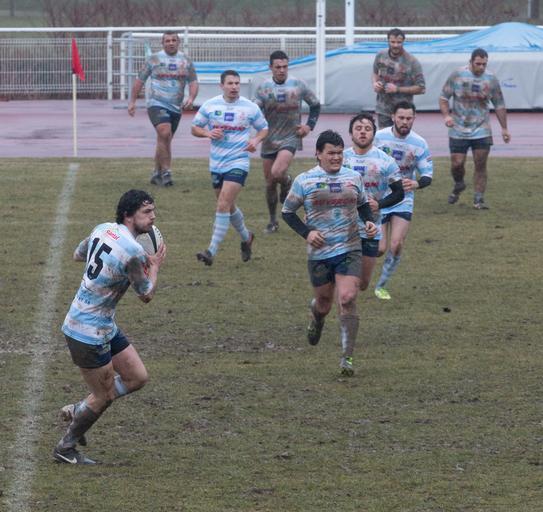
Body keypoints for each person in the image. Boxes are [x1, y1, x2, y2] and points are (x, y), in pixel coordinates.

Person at [53, 190, 166, 464]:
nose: (153, 217)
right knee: (103, 396)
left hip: (103, 324)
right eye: (146, 212)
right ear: (128, 215)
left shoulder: (103, 228)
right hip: (86, 332)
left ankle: (81, 409)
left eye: (153, 211)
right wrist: (154, 265)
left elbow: (78, 254)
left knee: (137, 377)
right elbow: (146, 294)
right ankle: (65, 448)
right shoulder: (133, 252)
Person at [281, 130, 377, 377]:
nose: (336, 158)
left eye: (339, 153)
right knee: (324, 303)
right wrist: (307, 233)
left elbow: (363, 204)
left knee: (347, 298)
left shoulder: (353, 177)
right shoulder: (305, 180)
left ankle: (347, 357)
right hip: (320, 253)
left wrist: (368, 221)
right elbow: (288, 212)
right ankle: (317, 318)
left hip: (350, 247)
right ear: (318, 154)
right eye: (331, 153)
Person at [191, 70, 268, 266]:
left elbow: (264, 128)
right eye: (230, 83)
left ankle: (211, 251)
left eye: (237, 83)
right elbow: (195, 128)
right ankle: (247, 237)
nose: (234, 87)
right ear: (221, 86)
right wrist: (208, 134)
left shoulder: (250, 107)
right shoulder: (210, 105)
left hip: (238, 161)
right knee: (228, 205)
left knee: (223, 204)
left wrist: (255, 140)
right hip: (217, 163)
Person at [253, 50, 321, 234]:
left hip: (291, 137)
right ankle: (273, 221)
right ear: (271, 68)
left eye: (285, 66)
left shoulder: (298, 85)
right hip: (269, 138)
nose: (282, 70)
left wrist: (308, 127)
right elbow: (253, 111)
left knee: (277, 172)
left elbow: (315, 105)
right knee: (269, 183)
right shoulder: (263, 88)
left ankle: (287, 180)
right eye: (278, 67)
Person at [373, 101, 433, 300]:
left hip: (403, 199)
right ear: (393, 117)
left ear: (414, 119)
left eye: (409, 118)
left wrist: (417, 183)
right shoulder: (379, 137)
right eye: (401, 118)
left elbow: (427, 175)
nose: (405, 122)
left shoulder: (419, 143)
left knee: (396, 244)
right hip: (379, 197)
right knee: (379, 248)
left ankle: (381, 286)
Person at [439, 48, 511, 209]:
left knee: (480, 163)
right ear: (470, 62)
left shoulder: (491, 79)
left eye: (484, 64)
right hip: (458, 128)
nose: (481, 67)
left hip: (481, 128)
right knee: (457, 164)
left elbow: (499, 104)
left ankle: (478, 199)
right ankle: (459, 183)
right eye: (478, 64)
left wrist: (504, 128)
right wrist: (447, 116)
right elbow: (443, 98)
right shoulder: (457, 75)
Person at [128, 31, 199, 187]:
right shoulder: (153, 59)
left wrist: (191, 98)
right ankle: (166, 172)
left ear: (178, 42)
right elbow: (140, 80)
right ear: (162, 43)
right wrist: (132, 101)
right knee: (164, 132)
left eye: (174, 40)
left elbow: (193, 82)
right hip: (156, 103)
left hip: (176, 106)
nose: (171, 43)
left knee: (164, 139)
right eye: (167, 40)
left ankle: (156, 172)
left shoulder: (186, 61)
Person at [343, 112, 404, 292]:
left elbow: (399, 193)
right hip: (342, 227)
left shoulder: (386, 161)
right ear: (351, 133)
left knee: (362, 284)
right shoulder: (341, 159)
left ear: (374, 134)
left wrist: (380, 204)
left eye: (367, 129)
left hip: (370, 229)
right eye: (358, 128)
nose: (363, 132)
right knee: (345, 279)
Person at [372, 28, 425, 129]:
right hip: (384, 109)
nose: (395, 45)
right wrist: (375, 83)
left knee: (401, 137)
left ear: (403, 42)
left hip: (403, 113)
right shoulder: (381, 56)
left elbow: (421, 88)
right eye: (392, 42)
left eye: (399, 42)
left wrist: (398, 89)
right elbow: (375, 73)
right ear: (388, 41)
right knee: (384, 137)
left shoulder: (412, 62)